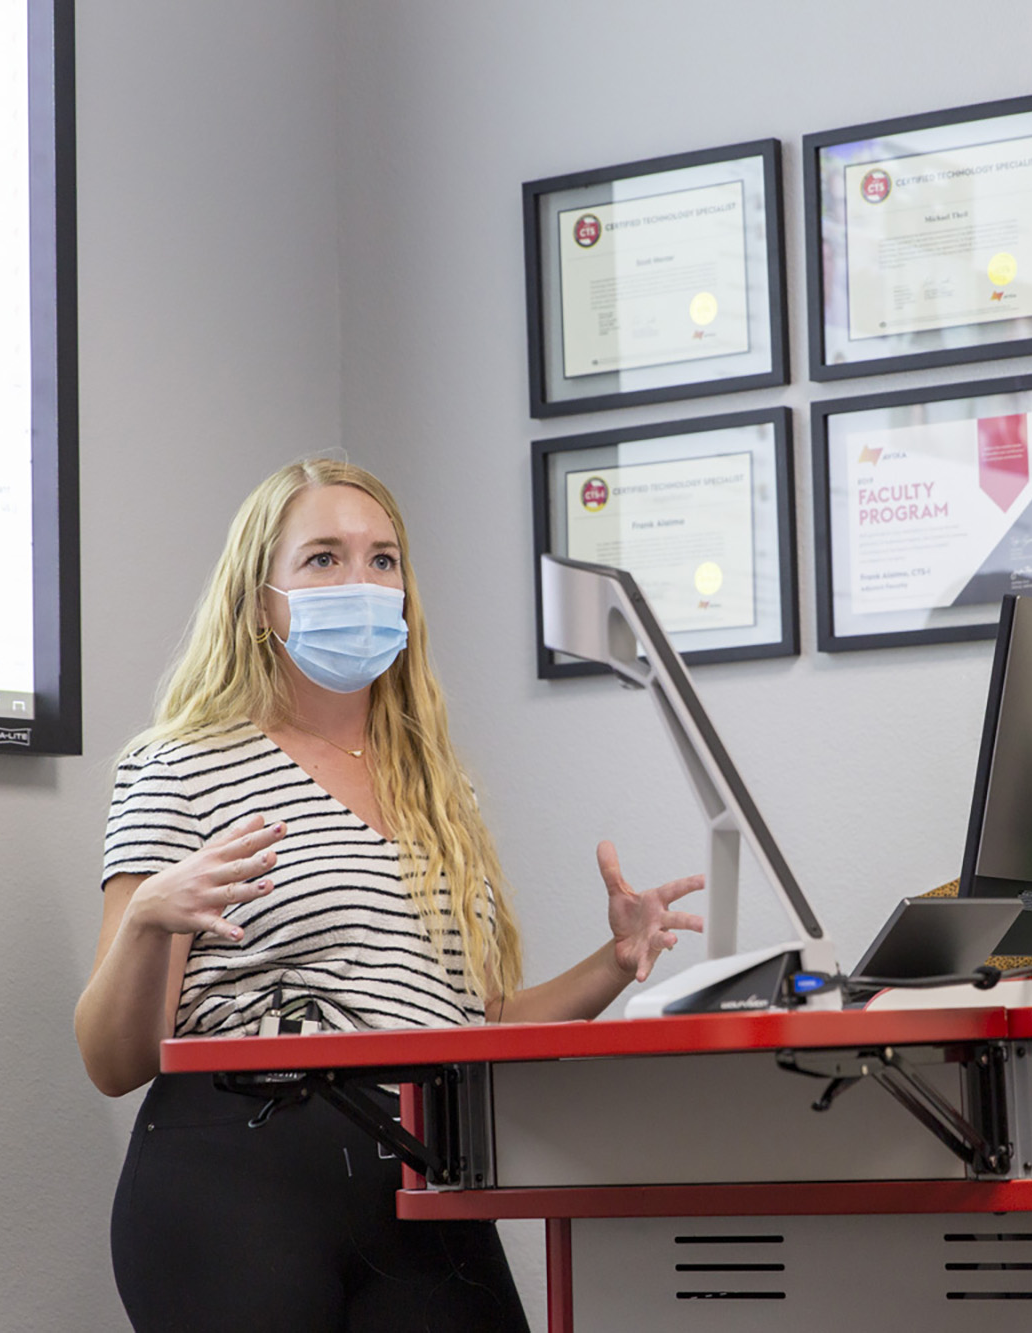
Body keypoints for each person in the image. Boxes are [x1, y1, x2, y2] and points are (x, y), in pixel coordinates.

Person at [75, 458, 705, 1331]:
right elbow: (111, 1060)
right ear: (262, 599)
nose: (360, 581)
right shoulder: (180, 765)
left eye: (382, 560)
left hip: (419, 1169)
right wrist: (147, 921)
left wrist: (616, 962)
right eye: (323, 558)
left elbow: (473, 1029)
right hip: (239, 1171)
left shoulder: (440, 794)